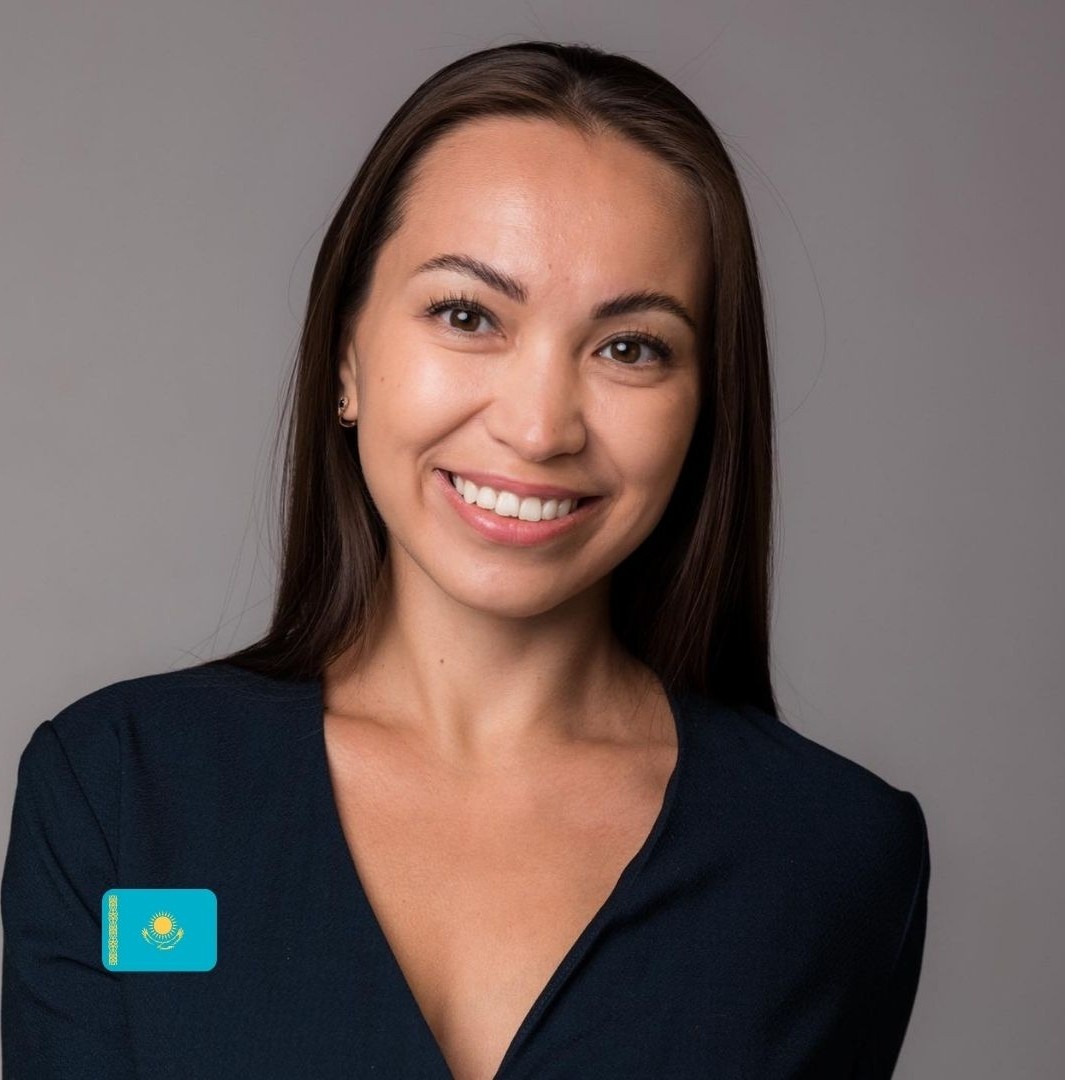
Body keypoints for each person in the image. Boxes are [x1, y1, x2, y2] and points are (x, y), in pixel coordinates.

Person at [1, 40, 929, 1080]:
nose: (538, 428)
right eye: (467, 315)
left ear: (705, 407)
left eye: (629, 347)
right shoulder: (122, 793)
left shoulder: (835, 855)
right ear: (346, 357)